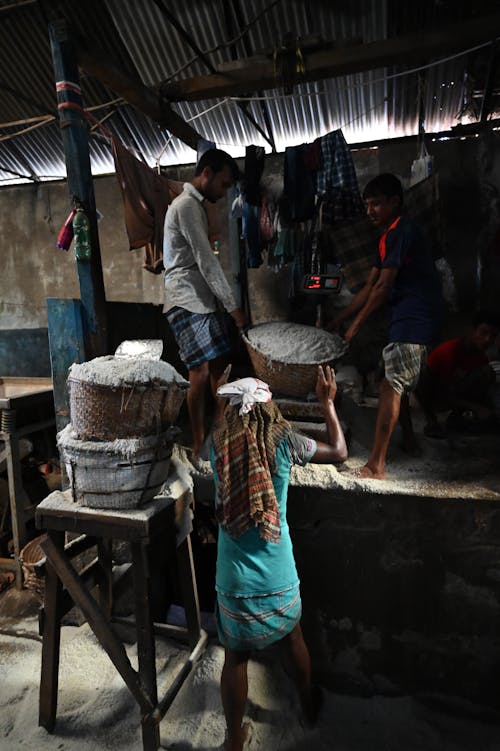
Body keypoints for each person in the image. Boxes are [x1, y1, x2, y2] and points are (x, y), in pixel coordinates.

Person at [209, 364, 347, 751]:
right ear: (271, 408)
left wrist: (218, 399)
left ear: (232, 409)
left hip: (235, 580)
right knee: (293, 639)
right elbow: (339, 450)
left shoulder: (217, 443)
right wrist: (327, 403)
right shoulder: (286, 441)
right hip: (278, 574)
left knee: (235, 658)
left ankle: (235, 741)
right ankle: (307, 708)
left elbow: (222, 425)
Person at [326, 173, 443, 479]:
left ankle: (375, 466)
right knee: (394, 381)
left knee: (391, 386)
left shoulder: (402, 232)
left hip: (415, 316)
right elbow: (369, 286)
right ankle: (409, 438)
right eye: (367, 205)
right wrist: (340, 318)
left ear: (396, 201)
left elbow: (383, 290)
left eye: (376, 204)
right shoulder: (386, 237)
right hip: (406, 316)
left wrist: (355, 328)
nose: (370, 211)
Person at [163, 149, 247, 465]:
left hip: (201, 299)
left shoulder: (194, 206)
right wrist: (233, 306)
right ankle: (198, 443)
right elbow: (205, 259)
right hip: (186, 300)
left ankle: (221, 429)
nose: (224, 193)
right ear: (207, 173)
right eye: (223, 185)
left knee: (217, 368)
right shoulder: (185, 206)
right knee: (198, 372)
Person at [418, 310, 499, 437]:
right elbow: (443, 393)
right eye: (483, 333)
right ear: (472, 331)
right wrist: (476, 407)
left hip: (453, 393)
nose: (487, 339)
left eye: (493, 335)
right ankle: (431, 421)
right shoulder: (450, 351)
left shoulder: (481, 357)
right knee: (423, 374)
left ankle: (457, 418)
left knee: (488, 373)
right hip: (434, 397)